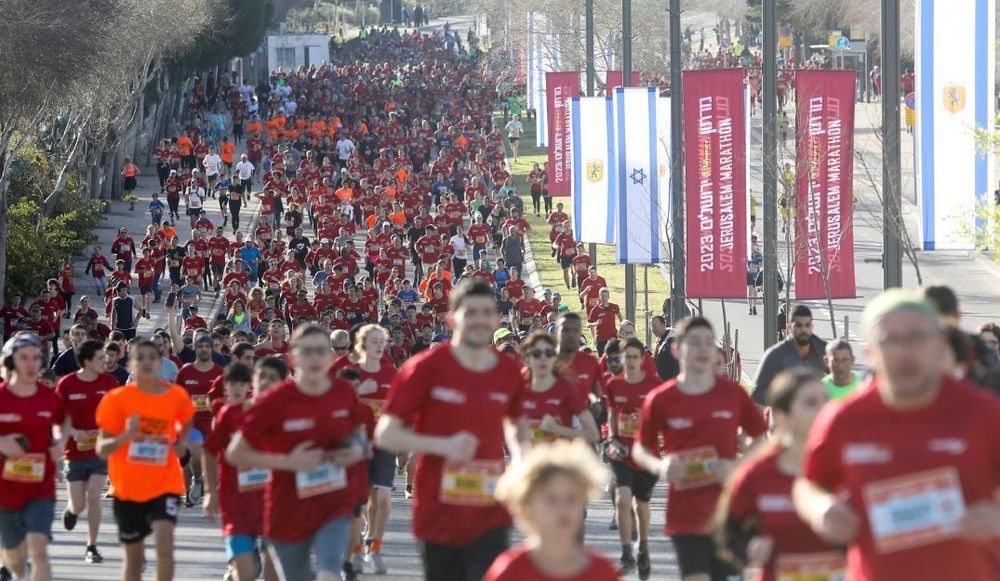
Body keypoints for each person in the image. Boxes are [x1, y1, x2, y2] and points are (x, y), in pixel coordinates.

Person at [793, 290, 1000, 580]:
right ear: (869, 353)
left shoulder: (984, 413)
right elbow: (808, 486)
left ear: (939, 344)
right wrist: (821, 508)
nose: (904, 352)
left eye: (916, 338)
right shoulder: (844, 419)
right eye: (890, 341)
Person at [375, 280, 528, 580]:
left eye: (487, 313)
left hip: (490, 508)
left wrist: (523, 462)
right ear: (452, 318)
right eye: (470, 312)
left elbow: (517, 426)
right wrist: (441, 445)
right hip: (439, 510)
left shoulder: (508, 371)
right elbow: (386, 434)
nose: (479, 320)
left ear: (497, 320)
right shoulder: (425, 368)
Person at [226, 325, 368, 581]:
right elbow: (236, 453)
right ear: (293, 356)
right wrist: (287, 461)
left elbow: (356, 434)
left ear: (331, 357)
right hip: (286, 509)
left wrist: (356, 449)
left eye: (321, 351)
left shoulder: (343, 392)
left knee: (328, 574)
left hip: (333, 502)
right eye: (307, 351)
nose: (314, 358)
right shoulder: (275, 400)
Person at [632, 317, 768, 581]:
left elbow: (761, 437)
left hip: (730, 512)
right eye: (694, 343)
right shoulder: (661, 399)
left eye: (709, 343)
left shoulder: (732, 394)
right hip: (686, 514)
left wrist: (739, 467)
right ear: (677, 349)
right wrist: (661, 467)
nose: (703, 350)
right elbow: (640, 448)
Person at [714, 368, 842, 581]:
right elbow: (728, 532)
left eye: (825, 401)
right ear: (783, 416)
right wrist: (749, 548)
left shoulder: (845, 467)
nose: (823, 410)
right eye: (810, 403)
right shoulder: (758, 473)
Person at [95, 339, 194, 581]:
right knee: (134, 559)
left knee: (164, 545)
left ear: (161, 363)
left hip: (165, 485)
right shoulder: (116, 400)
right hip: (128, 489)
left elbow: (185, 431)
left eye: (153, 358)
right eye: (141, 358)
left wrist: (180, 445)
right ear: (130, 364)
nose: (147, 362)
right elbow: (101, 449)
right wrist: (127, 435)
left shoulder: (177, 397)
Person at [483, 440, 618, 581]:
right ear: (526, 508)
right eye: (551, 500)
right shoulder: (510, 570)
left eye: (571, 499)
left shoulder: (602, 571)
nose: (563, 509)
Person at [202, 361, 283, 581]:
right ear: (253, 383)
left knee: (272, 576)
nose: (266, 383)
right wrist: (210, 492)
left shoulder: (288, 418)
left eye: (273, 378)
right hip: (236, 503)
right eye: (261, 377)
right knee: (245, 575)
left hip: (274, 505)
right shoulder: (229, 414)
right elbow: (209, 452)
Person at [0, 332, 66, 581]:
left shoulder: (50, 397)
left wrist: (60, 440)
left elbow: (63, 423)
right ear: (11, 361)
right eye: (24, 357)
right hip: (5, 489)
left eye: (36, 358)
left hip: (41, 487)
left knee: (39, 550)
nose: (30, 364)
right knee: (15, 559)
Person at [604, 337, 662, 578]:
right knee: (622, 499)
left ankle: (644, 547)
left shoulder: (654, 384)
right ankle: (627, 551)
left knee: (642, 504)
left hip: (646, 453)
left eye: (634, 357)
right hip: (621, 451)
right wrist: (612, 439)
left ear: (642, 360)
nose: (629, 362)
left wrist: (646, 419)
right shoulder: (613, 384)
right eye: (625, 357)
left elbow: (662, 418)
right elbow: (611, 416)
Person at [56, 340, 118, 564]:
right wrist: (74, 432)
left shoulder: (109, 383)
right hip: (74, 453)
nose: (107, 361)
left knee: (94, 496)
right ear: (87, 361)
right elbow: (57, 420)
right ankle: (72, 511)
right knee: (79, 503)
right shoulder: (67, 384)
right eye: (101, 358)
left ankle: (91, 546)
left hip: (99, 453)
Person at [342, 324, 396, 575]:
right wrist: (357, 393)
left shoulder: (391, 373)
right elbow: (336, 408)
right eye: (373, 341)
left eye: (381, 341)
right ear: (362, 344)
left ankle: (374, 547)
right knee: (361, 500)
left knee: (383, 497)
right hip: (356, 445)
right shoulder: (351, 373)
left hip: (384, 443)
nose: (378, 345)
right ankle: (356, 548)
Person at [519, 331, 598, 444]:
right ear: (527, 359)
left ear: (555, 358)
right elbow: (508, 429)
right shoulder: (518, 389)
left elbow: (593, 435)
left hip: (560, 459)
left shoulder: (566, 389)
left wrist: (557, 429)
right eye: (536, 354)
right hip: (530, 459)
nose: (543, 358)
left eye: (549, 353)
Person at [175, 335, 223, 507]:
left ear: (211, 349)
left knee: (203, 460)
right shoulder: (185, 372)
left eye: (207, 346)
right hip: (191, 423)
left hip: (211, 423)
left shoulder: (219, 372)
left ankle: (199, 485)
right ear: (195, 348)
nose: (203, 349)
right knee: (193, 455)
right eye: (200, 346)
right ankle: (193, 487)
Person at [752, 305, 827, 405]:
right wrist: (785, 399)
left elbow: (841, 380)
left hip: (818, 417)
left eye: (807, 325)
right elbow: (757, 392)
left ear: (812, 326)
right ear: (789, 327)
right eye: (798, 325)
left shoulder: (823, 350)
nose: (803, 330)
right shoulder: (776, 354)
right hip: (787, 417)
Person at [650, 315, 679, 381]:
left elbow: (676, 366)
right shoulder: (660, 338)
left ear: (663, 325)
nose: (652, 329)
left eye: (654, 326)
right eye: (651, 326)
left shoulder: (672, 340)